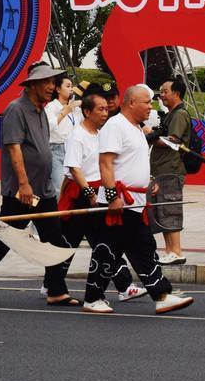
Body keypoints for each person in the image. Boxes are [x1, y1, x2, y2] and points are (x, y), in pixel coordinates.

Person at [0, 61, 78, 307]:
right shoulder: (17, 109)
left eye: (53, 82)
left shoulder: (41, 111)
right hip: (22, 191)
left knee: (54, 238)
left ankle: (56, 289)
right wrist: (24, 185)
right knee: (4, 236)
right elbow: (14, 149)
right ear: (32, 84)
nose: (51, 87)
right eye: (46, 82)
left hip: (42, 190)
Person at [82, 84, 193, 315]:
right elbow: (106, 163)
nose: (150, 107)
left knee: (143, 248)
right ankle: (93, 298)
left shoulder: (136, 128)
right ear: (131, 102)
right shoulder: (115, 125)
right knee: (107, 251)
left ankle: (161, 294)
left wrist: (149, 182)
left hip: (135, 203)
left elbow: (132, 162)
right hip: (118, 204)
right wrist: (112, 197)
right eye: (146, 102)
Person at [60, 90, 143, 304]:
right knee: (68, 244)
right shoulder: (77, 135)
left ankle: (124, 286)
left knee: (106, 242)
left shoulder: (100, 134)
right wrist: (89, 193)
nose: (105, 113)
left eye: (107, 109)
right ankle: (53, 285)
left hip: (98, 195)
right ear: (87, 112)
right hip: (82, 195)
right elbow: (75, 169)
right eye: (101, 109)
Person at [152, 77, 191, 265]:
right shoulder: (170, 113)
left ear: (176, 93)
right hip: (163, 170)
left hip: (171, 170)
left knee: (171, 210)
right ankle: (169, 251)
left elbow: (174, 141)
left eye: (165, 91)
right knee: (163, 212)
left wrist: (150, 137)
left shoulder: (179, 114)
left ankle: (176, 251)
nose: (162, 95)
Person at [44, 75, 80, 198]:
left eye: (72, 86)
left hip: (72, 149)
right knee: (59, 187)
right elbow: (48, 126)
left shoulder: (76, 109)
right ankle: (57, 216)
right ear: (58, 89)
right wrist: (65, 111)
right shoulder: (51, 107)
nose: (71, 89)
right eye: (67, 86)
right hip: (56, 150)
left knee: (73, 186)